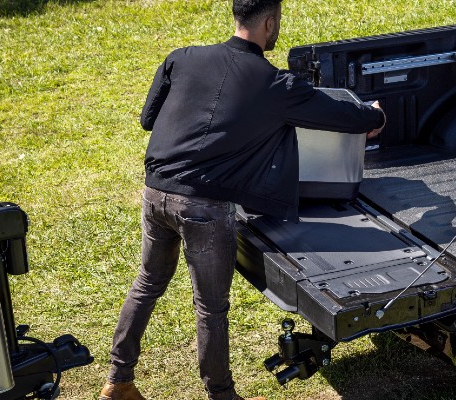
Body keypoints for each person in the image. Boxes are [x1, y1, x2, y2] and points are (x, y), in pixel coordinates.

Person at [98, 0, 386, 398]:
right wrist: (375, 116)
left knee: (147, 284)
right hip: (204, 207)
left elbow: (149, 119)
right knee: (210, 309)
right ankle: (222, 394)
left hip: (154, 193)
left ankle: (118, 379)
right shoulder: (275, 85)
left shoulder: (182, 58)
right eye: (278, 22)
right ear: (270, 22)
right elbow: (343, 117)